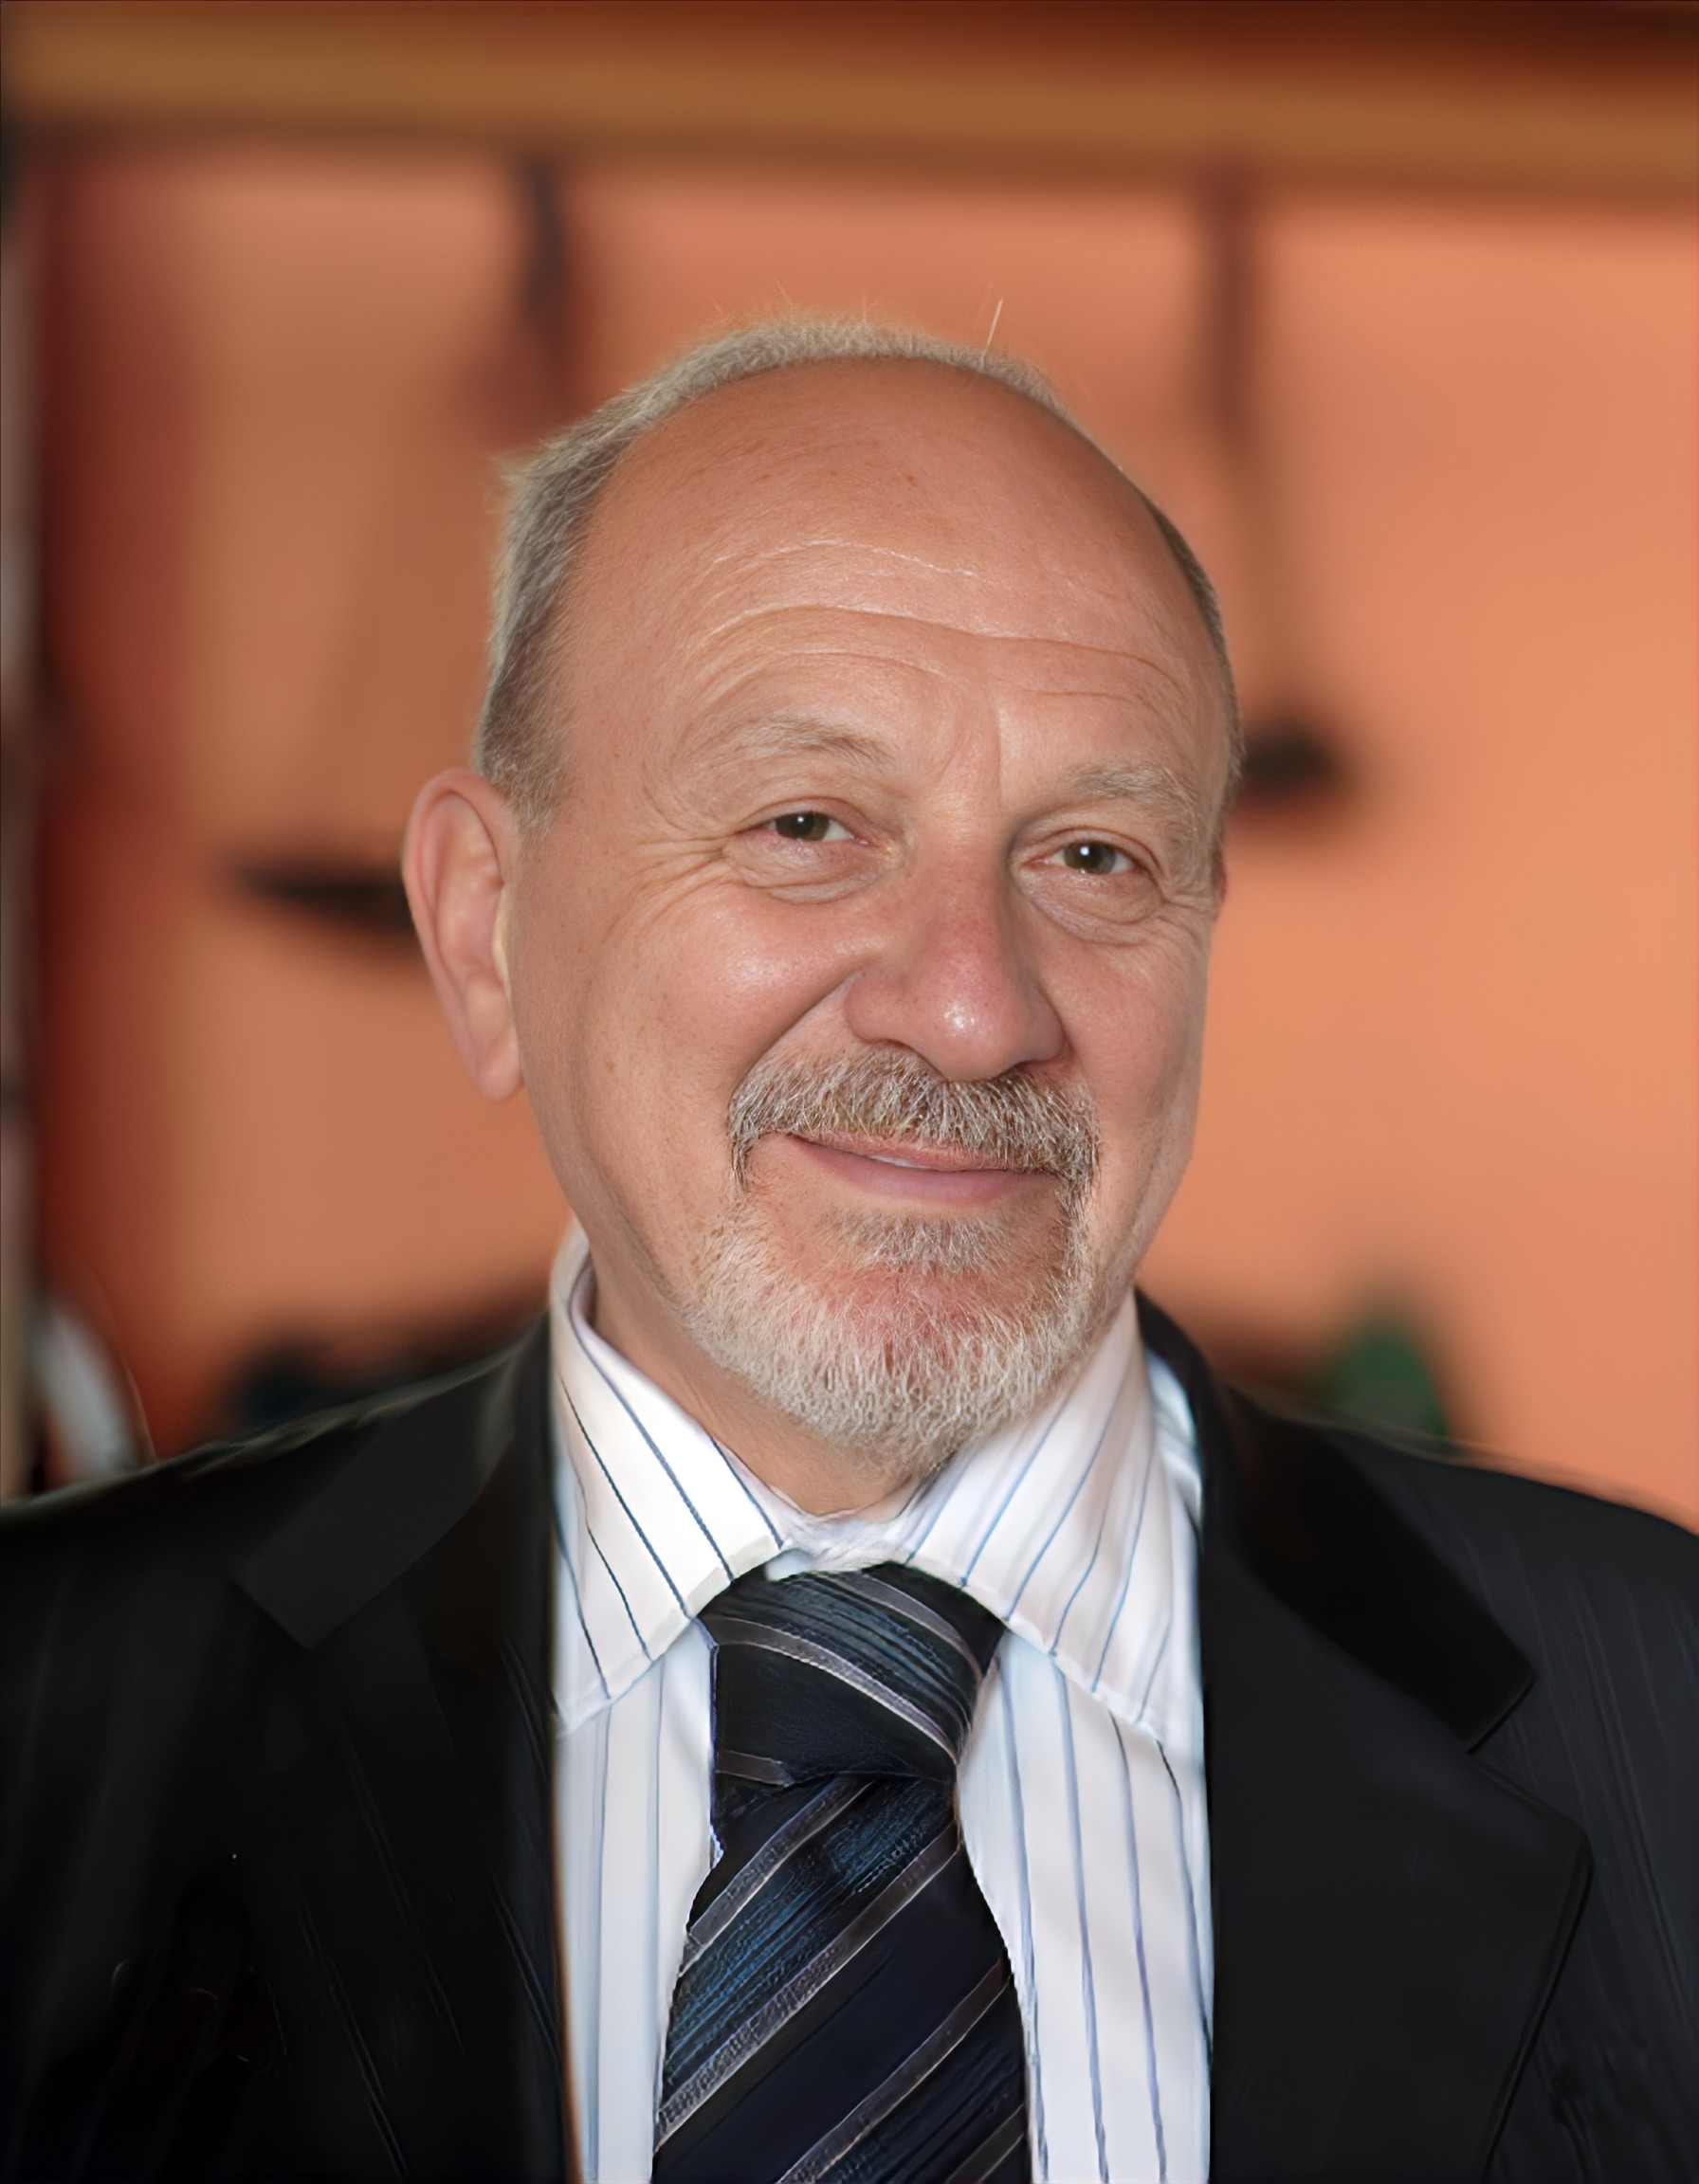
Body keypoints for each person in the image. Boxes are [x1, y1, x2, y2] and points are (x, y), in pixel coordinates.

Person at [2, 320, 1692, 2184]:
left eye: (1092, 857)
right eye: (806, 825)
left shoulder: (1661, 1706)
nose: (970, 1011)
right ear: (484, 934)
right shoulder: (42, 1712)